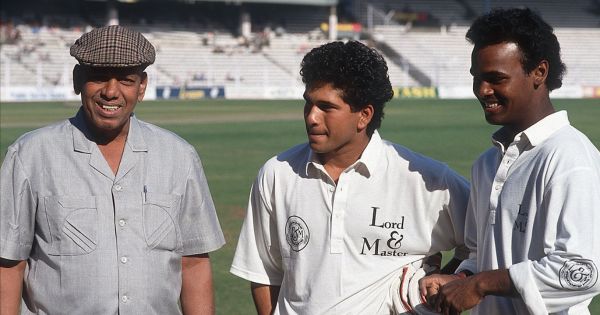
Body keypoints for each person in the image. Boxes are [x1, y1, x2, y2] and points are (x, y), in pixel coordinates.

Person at [230, 40, 470, 314]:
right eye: (308, 104)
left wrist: (453, 278)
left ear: (364, 116)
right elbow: (264, 272)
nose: (312, 117)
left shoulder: (427, 179)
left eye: (326, 107)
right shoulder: (277, 173)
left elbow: (485, 241)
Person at [0, 25, 225, 314]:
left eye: (126, 80)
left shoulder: (179, 157)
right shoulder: (30, 155)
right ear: (77, 80)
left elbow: (193, 262)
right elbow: (8, 263)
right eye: (99, 78)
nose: (111, 92)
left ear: (141, 87)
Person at [419, 8, 600, 315]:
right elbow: (481, 254)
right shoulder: (487, 164)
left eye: (496, 79)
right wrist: (461, 278)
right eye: (477, 79)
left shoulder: (570, 156)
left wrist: (480, 285)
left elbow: (583, 272)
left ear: (539, 73)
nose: (482, 90)